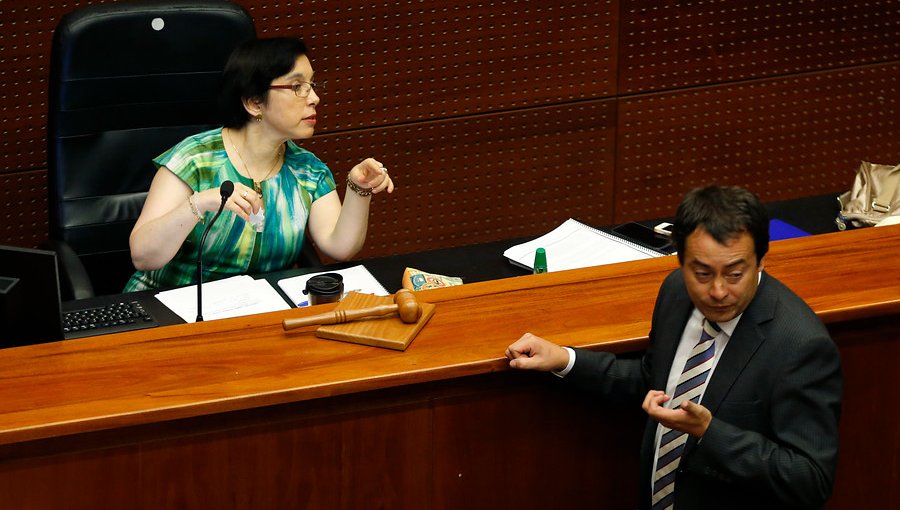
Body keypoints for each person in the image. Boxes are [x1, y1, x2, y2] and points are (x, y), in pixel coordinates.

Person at [505, 186, 842, 510]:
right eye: (703, 273)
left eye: (735, 274)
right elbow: (655, 380)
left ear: (760, 262)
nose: (719, 291)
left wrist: (709, 432)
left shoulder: (800, 345)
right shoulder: (676, 292)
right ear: (681, 262)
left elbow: (810, 480)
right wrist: (565, 359)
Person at [125, 37, 393, 291]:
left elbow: (339, 246)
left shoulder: (307, 170)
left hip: (260, 312)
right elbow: (143, 257)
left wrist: (360, 189)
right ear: (254, 103)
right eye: (297, 87)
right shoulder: (195, 159)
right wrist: (198, 204)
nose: (314, 98)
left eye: (311, 85)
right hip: (173, 307)